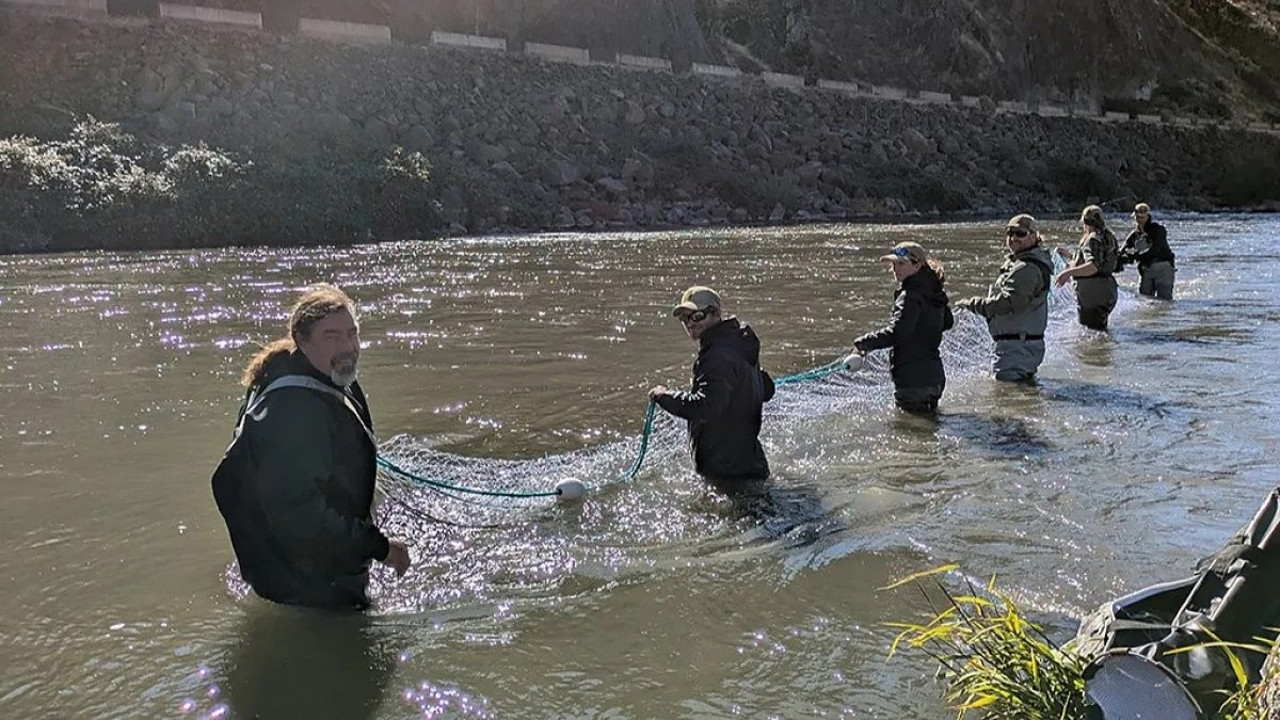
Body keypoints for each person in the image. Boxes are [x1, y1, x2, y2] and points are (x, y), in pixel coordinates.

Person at [211, 283, 411, 610]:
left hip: (303, 567)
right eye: (331, 336)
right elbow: (304, 517)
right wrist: (383, 548)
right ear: (302, 341)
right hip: (309, 586)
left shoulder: (311, 373)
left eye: (352, 333)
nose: (348, 346)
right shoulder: (293, 412)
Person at [648, 286, 776, 488]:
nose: (690, 324)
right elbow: (768, 389)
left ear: (716, 313)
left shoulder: (717, 356)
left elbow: (706, 406)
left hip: (727, 475)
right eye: (684, 319)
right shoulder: (739, 344)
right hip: (751, 465)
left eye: (697, 316)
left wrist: (663, 396)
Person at [851, 242, 954, 414]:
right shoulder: (935, 292)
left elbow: (897, 333)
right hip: (935, 378)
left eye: (900, 264)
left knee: (911, 431)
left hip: (913, 381)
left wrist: (862, 344)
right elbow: (947, 322)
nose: (894, 269)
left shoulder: (910, 296)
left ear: (917, 265)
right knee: (928, 431)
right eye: (893, 264)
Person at [955, 214, 1056, 383]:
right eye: (1010, 233)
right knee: (1020, 399)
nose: (1014, 238)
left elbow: (1009, 302)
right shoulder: (1023, 263)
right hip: (1020, 347)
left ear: (1033, 236)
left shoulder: (1027, 268)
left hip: (1017, 350)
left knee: (1011, 400)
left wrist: (972, 304)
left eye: (1020, 233)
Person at [1056, 204, 1120, 330]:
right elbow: (1095, 261)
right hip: (1106, 291)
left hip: (1092, 296)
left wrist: (1067, 273)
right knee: (1099, 332)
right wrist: (1068, 255)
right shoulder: (1107, 236)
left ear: (1085, 221)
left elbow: (1093, 266)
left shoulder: (1092, 239)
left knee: (1091, 336)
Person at [1119, 202, 1176, 300]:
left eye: (1142, 217)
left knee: (1164, 301)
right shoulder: (1134, 235)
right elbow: (1122, 251)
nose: (1140, 220)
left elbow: (1155, 249)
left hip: (1163, 267)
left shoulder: (1158, 230)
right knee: (1145, 300)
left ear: (1148, 216)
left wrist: (1135, 256)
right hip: (1146, 269)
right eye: (1138, 217)